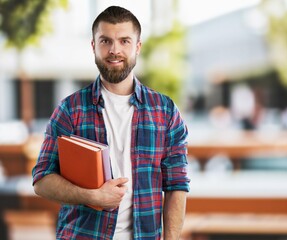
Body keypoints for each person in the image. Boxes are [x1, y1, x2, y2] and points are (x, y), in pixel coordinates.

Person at [32, 6, 190, 240]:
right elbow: (42, 180)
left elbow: (176, 185)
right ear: (94, 46)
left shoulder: (165, 111)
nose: (114, 50)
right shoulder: (70, 109)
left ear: (137, 47)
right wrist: (91, 196)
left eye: (124, 41)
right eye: (106, 41)